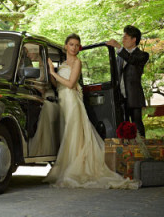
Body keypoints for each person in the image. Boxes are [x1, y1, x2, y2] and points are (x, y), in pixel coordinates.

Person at [43, 33, 140, 189]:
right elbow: (57, 85)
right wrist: (49, 71)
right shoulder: (61, 64)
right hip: (62, 101)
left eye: (77, 45)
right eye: (71, 44)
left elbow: (70, 83)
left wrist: (54, 73)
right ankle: (67, 167)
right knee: (66, 134)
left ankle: (75, 170)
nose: (74, 48)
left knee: (74, 135)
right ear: (65, 46)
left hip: (72, 101)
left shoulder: (77, 62)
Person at [106, 25, 149, 137]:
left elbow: (132, 59)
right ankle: (127, 151)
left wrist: (119, 47)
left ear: (134, 39)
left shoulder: (142, 55)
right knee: (124, 126)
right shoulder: (120, 56)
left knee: (137, 124)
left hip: (134, 95)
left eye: (125, 38)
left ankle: (142, 151)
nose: (122, 40)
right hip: (121, 96)